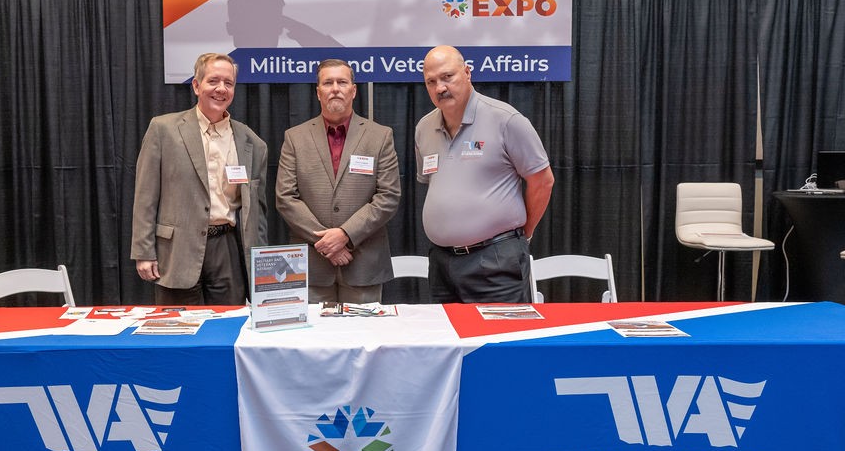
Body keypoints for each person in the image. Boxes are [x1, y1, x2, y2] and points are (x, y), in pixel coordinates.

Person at [415, 45, 554, 303]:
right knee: (449, 342)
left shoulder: (506, 120)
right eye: (431, 81)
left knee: (497, 341)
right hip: (442, 264)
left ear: (467, 73)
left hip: (495, 262)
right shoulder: (424, 127)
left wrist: (524, 233)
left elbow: (542, 181)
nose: (440, 88)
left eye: (448, 77)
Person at [131, 52, 268, 305]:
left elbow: (257, 211)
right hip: (177, 250)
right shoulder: (164, 130)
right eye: (213, 81)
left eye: (228, 83)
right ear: (196, 85)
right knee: (178, 332)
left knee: (226, 331)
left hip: (228, 250)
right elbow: (145, 196)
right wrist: (143, 251)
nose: (221, 89)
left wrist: (260, 263)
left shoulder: (251, 142)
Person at [276, 59, 401, 303]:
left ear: (353, 91)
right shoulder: (295, 138)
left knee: (363, 338)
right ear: (318, 92)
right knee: (313, 340)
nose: (335, 88)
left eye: (342, 82)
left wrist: (345, 235)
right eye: (328, 82)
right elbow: (285, 198)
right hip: (312, 265)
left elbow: (388, 197)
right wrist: (325, 243)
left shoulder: (380, 136)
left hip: (363, 264)